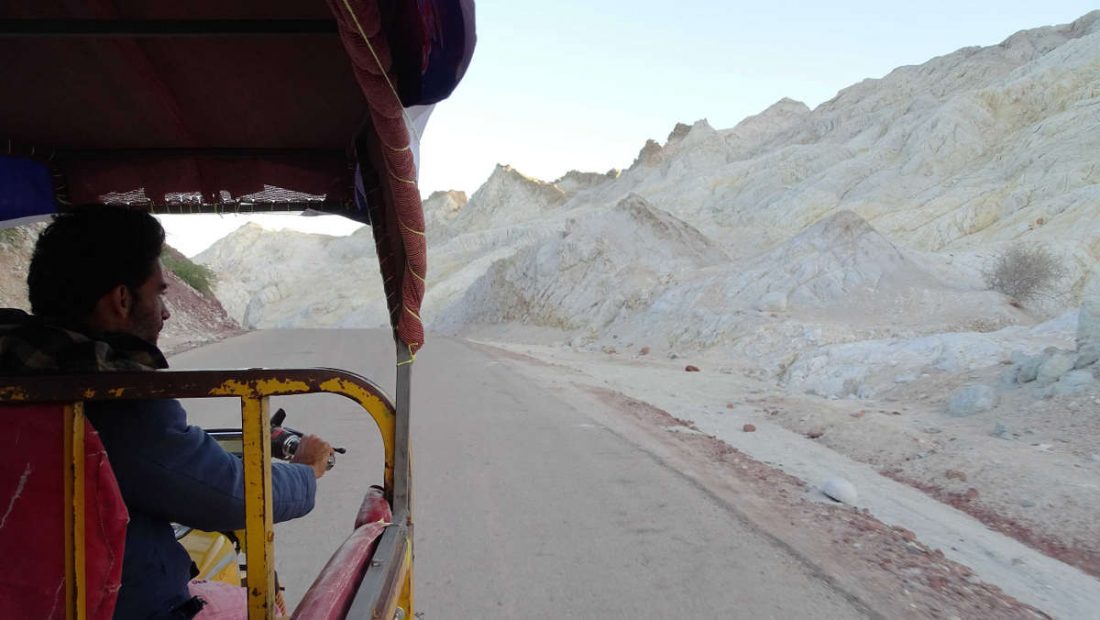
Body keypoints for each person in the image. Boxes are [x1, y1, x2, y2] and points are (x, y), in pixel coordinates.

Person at [0, 206, 334, 619]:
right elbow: (229, 494)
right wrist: (305, 470)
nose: (166, 311)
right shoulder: (111, 394)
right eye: (158, 292)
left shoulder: (17, 368)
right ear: (121, 300)